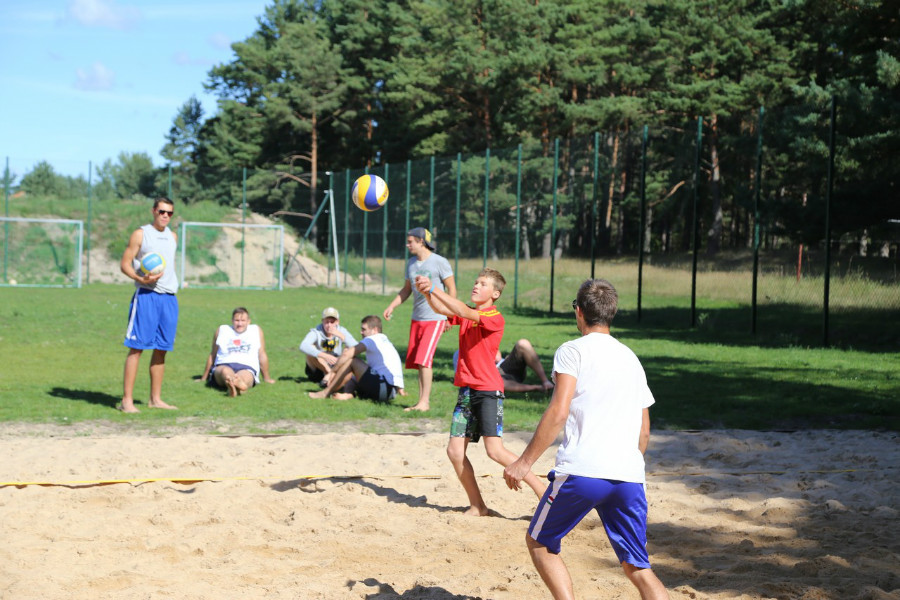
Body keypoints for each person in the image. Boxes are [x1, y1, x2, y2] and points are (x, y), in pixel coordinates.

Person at [503, 279, 668, 600]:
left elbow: (558, 411)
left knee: (540, 541)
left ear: (579, 311)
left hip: (582, 472)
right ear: (611, 313)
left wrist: (524, 463)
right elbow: (644, 430)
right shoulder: (631, 358)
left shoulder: (572, 351)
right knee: (638, 567)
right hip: (629, 476)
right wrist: (629, 465)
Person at [414, 268, 546, 516]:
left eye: (483, 284)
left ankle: (543, 492)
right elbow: (443, 310)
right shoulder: (468, 313)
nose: (476, 286)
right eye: (476, 282)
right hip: (467, 391)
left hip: (487, 391)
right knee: (455, 452)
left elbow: (463, 311)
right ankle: (478, 506)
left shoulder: (494, 317)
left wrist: (434, 288)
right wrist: (427, 293)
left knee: (494, 451)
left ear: (495, 294)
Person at [383, 227, 456, 412]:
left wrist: (450, 316)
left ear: (421, 241)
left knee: (424, 359)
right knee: (419, 362)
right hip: (417, 319)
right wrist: (392, 306)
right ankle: (421, 402)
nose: (407, 245)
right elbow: (407, 289)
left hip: (436, 317)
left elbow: (452, 289)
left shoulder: (440, 262)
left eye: (410, 242)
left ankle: (424, 403)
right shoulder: (411, 263)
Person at [118, 197, 179, 413]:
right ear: (154, 211)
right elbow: (125, 264)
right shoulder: (141, 234)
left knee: (162, 349)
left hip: (169, 298)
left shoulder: (173, 236)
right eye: (162, 211)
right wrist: (139, 278)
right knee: (137, 348)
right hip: (147, 296)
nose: (165, 216)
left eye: (169, 213)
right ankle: (127, 401)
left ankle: (155, 399)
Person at [309, 315, 405, 402]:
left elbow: (347, 355)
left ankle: (325, 393)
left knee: (352, 361)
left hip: (382, 388)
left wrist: (332, 372)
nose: (361, 332)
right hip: (390, 392)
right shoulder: (385, 341)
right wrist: (400, 389)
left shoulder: (372, 339)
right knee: (352, 373)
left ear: (374, 330)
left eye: (364, 329)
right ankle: (348, 394)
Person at [199, 307, 276, 397]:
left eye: (243, 320)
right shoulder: (222, 330)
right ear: (232, 320)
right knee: (225, 372)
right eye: (237, 320)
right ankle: (236, 385)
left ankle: (234, 385)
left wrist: (266, 378)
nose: (240, 324)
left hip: (247, 367)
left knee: (245, 376)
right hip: (224, 364)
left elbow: (261, 354)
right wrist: (204, 377)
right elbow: (213, 354)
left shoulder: (255, 330)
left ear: (248, 321)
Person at [453, 339, 554, 394]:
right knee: (496, 383)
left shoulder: (483, 340)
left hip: (504, 366)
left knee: (523, 344)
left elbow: (497, 357)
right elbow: (464, 378)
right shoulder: (460, 355)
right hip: (490, 376)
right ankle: (536, 388)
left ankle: (545, 381)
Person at [299, 307, 358, 388]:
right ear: (322, 321)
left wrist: (341, 336)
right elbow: (303, 346)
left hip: (336, 364)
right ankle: (330, 374)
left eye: (332, 322)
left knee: (348, 349)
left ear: (337, 322)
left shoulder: (341, 330)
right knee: (311, 350)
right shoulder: (316, 331)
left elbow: (356, 347)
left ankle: (329, 376)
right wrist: (325, 356)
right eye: (326, 322)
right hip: (319, 367)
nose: (329, 325)